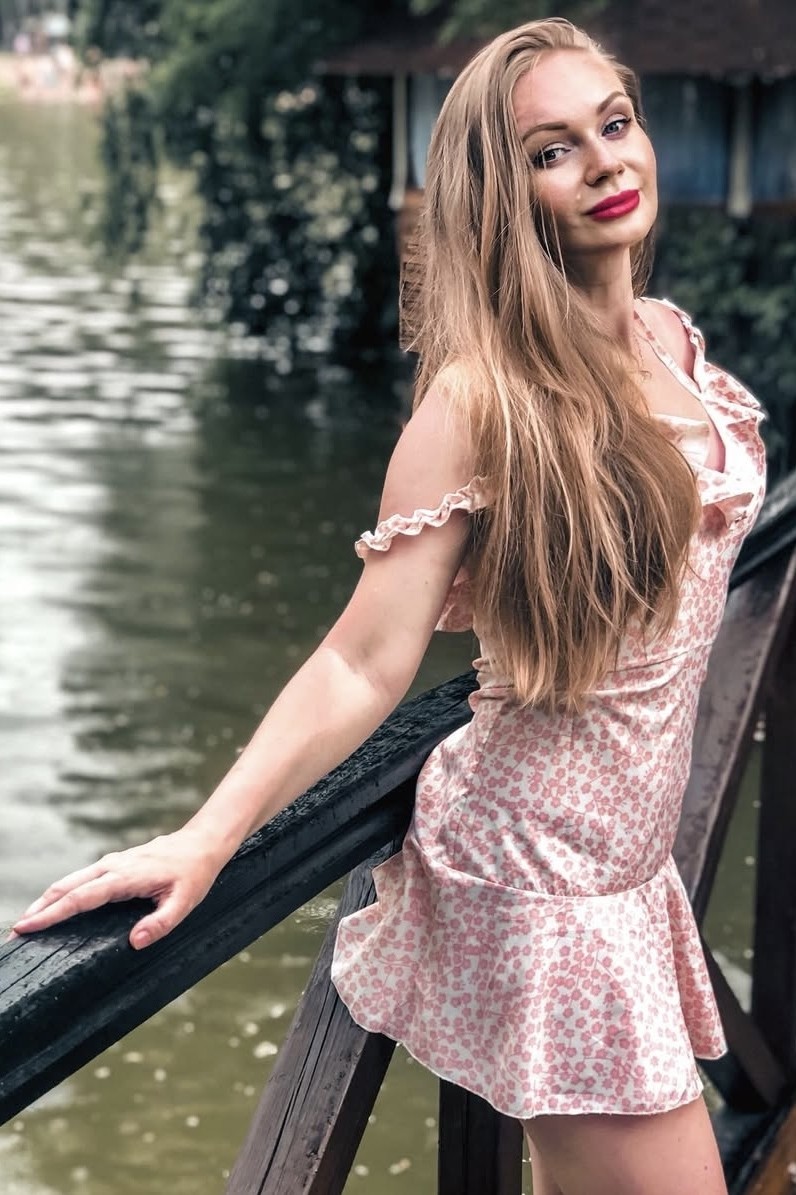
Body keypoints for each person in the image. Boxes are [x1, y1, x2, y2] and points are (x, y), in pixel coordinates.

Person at [12, 17, 766, 1195]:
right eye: (552, 151)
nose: (605, 163)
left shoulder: (670, 339)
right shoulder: (480, 405)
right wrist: (207, 834)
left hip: (628, 868)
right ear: (499, 193)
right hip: (538, 873)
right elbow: (362, 659)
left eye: (614, 125)